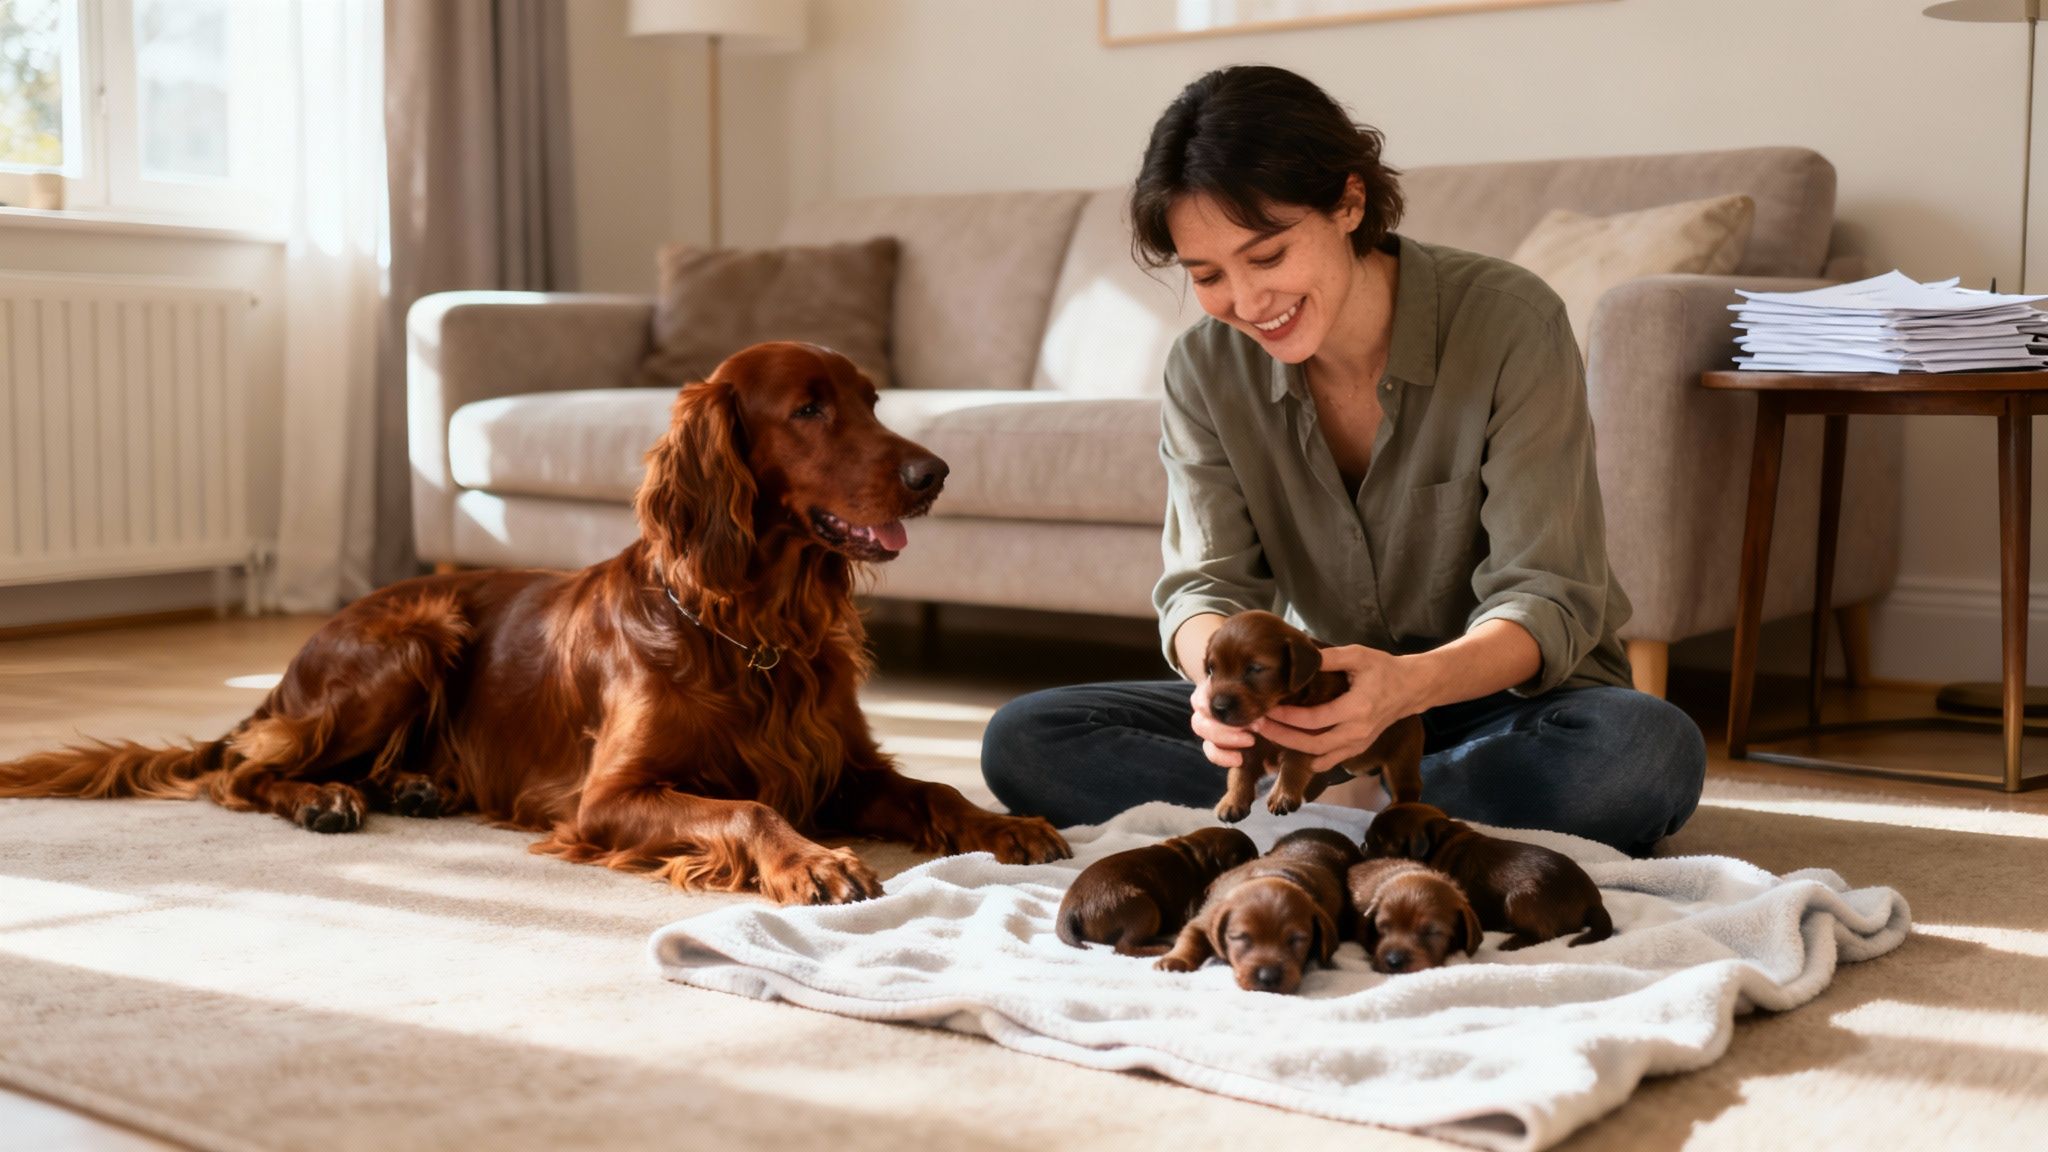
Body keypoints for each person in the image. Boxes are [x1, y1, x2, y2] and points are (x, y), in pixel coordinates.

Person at [979, 65, 1704, 857]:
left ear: (1349, 204)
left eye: (1269, 256)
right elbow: (1204, 585)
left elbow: (1547, 593)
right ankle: (1388, 813)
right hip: (1300, 706)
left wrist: (1408, 688)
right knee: (1026, 738)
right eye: (1208, 276)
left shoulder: (1510, 323)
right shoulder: (1204, 368)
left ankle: (1330, 812)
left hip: (1492, 695)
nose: (1248, 303)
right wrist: (1213, 696)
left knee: (1643, 756)